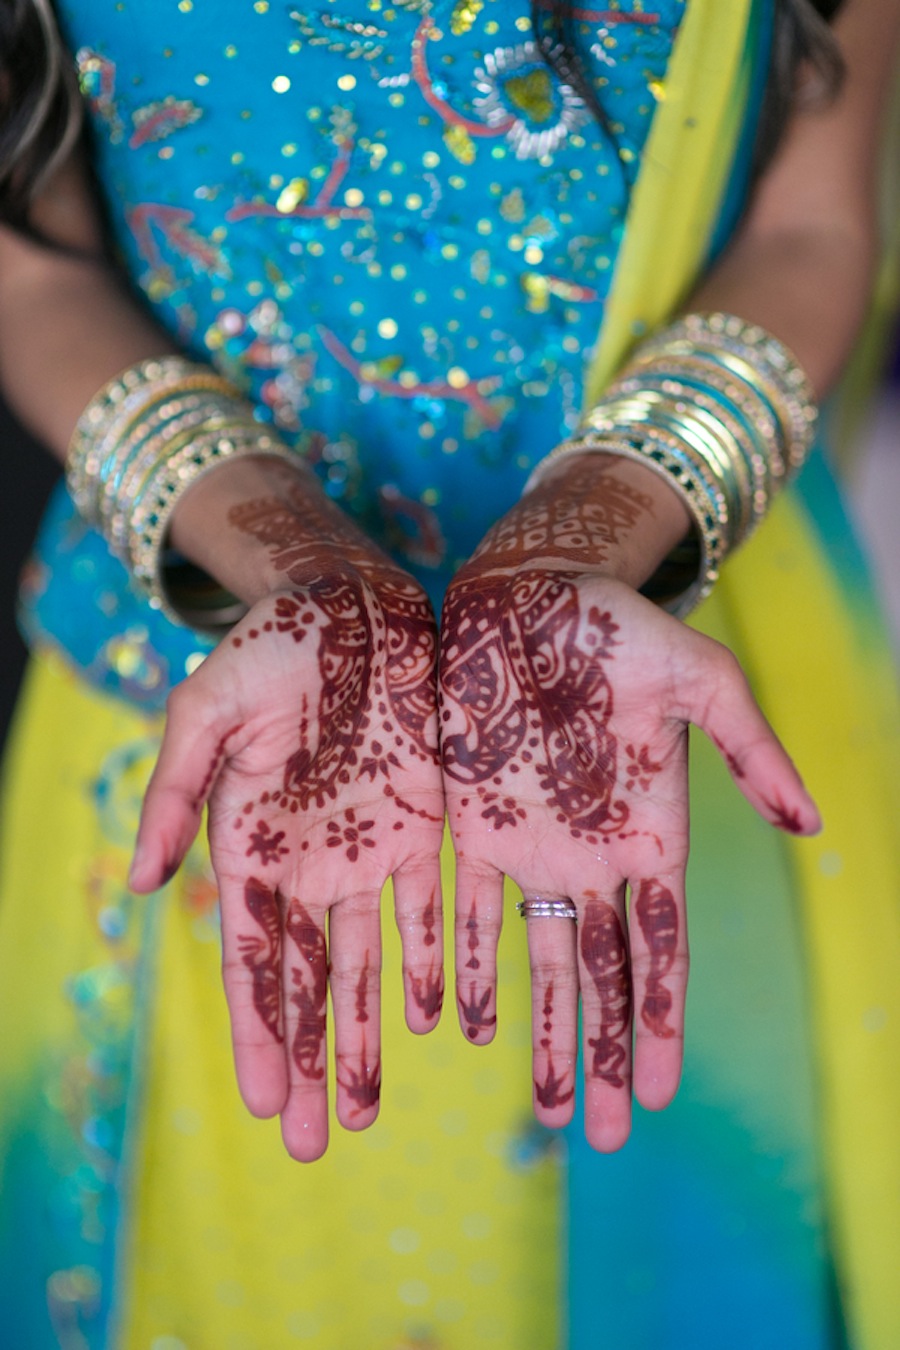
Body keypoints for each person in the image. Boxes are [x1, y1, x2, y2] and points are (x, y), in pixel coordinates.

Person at [0, 0, 898, 1346]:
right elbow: (29, 276)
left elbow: (808, 225)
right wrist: (304, 566)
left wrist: (576, 542)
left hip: (631, 717)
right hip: (223, 740)